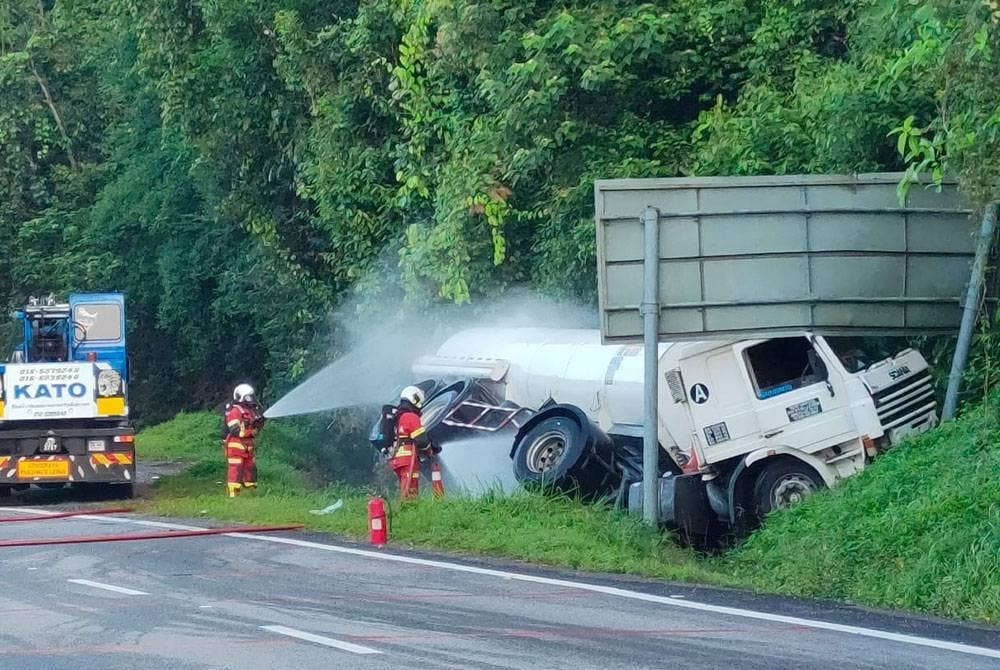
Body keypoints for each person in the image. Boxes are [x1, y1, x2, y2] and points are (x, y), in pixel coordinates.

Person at [389, 386, 443, 499]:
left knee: (406, 487)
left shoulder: (399, 417)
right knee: (410, 489)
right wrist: (431, 450)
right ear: (414, 399)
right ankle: (408, 511)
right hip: (408, 460)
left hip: (398, 459)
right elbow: (422, 440)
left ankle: (407, 509)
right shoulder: (410, 417)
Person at [224, 383, 265, 498]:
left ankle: (251, 490)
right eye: (248, 396)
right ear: (241, 396)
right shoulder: (235, 411)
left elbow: (253, 428)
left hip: (248, 445)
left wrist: (259, 423)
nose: (251, 399)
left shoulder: (250, 410)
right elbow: (234, 429)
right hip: (236, 445)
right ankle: (233, 492)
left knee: (250, 467)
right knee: (236, 468)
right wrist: (248, 431)